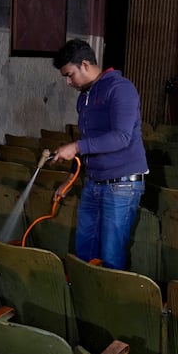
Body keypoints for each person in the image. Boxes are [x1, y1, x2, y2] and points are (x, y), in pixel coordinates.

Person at [50, 38, 148, 270]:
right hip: (94, 183)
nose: (67, 82)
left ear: (85, 64)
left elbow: (121, 137)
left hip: (122, 185)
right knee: (84, 251)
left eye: (70, 74)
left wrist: (75, 147)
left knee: (111, 257)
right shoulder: (84, 96)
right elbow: (88, 142)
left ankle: (111, 303)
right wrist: (69, 179)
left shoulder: (121, 88)